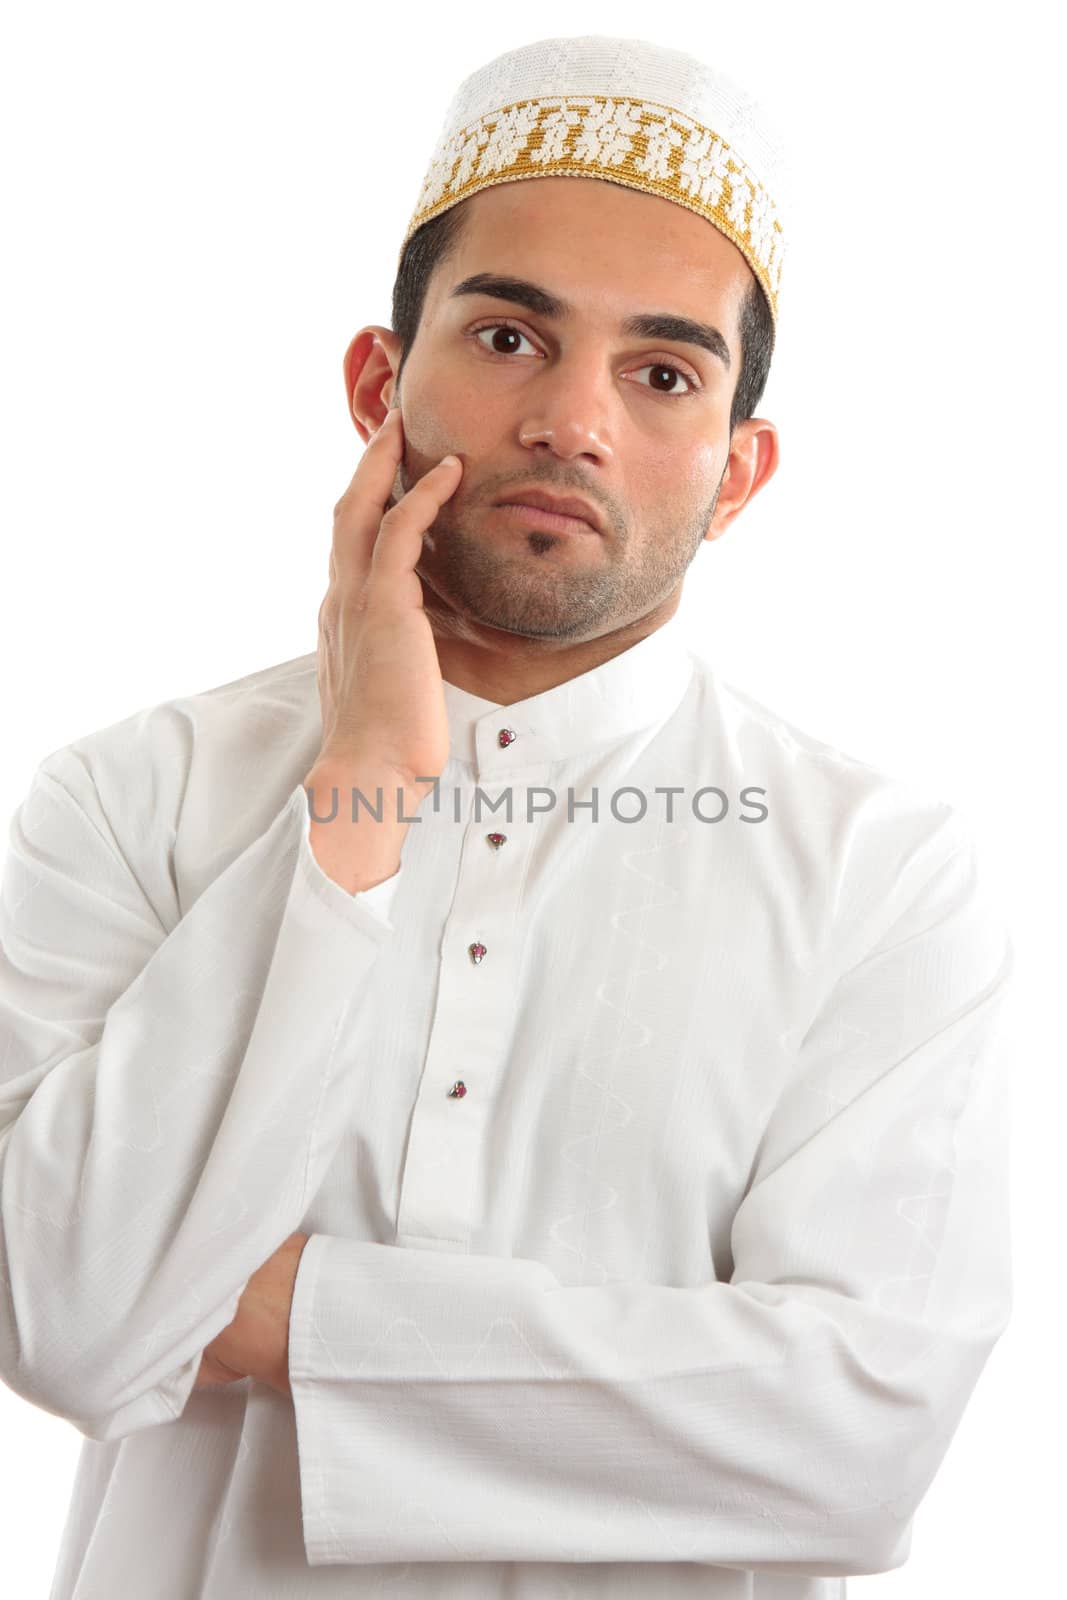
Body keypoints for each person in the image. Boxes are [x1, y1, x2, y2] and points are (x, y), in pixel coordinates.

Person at [0, 32, 1013, 1600]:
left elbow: (862, 1437)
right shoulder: (134, 796)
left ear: (737, 474)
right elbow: (64, 1322)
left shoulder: (879, 872)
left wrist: (274, 1319)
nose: (575, 423)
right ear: (375, 383)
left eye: (661, 373)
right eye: (510, 337)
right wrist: (363, 791)